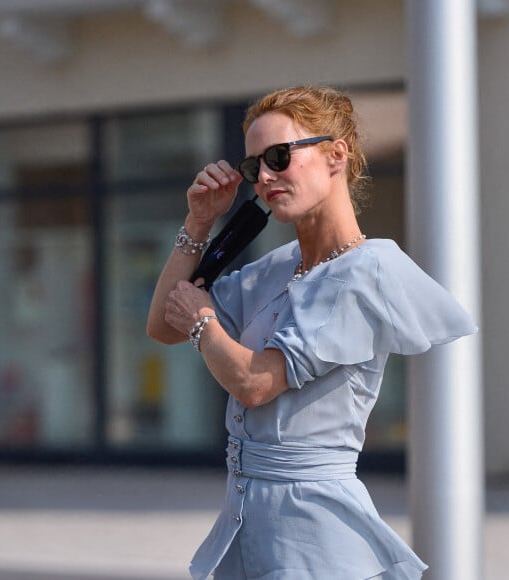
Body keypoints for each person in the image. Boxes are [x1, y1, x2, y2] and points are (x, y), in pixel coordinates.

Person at [147, 85, 477, 580]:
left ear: (335, 156)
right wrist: (198, 223)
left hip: (316, 538)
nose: (264, 177)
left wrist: (203, 319)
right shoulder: (277, 268)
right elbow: (162, 327)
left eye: (279, 156)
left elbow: (255, 383)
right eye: (253, 165)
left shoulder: (367, 271)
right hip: (247, 530)